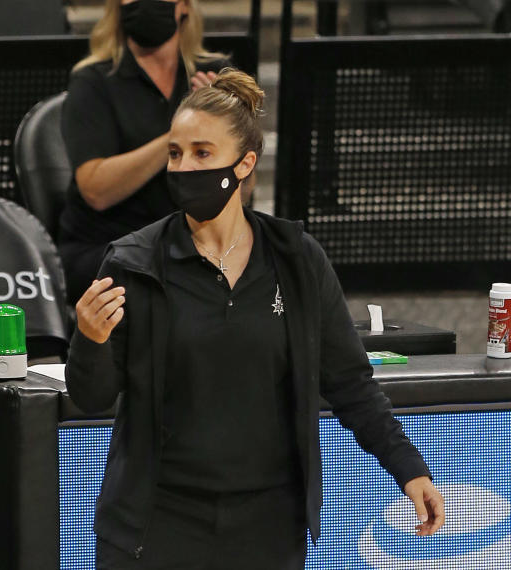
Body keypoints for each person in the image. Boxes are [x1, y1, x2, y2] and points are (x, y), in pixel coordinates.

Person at [65, 69, 445, 569]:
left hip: (268, 525)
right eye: (175, 154)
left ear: (244, 164)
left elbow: (350, 382)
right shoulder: (133, 262)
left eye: (203, 153)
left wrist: (409, 468)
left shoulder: (297, 260)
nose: (183, 167)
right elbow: (91, 398)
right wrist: (89, 340)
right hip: (159, 522)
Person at [58, 0, 230, 302]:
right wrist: (181, 135)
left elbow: (240, 191)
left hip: (191, 241)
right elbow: (96, 191)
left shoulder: (214, 77)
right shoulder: (93, 82)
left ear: (185, 7)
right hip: (107, 247)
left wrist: (225, 132)